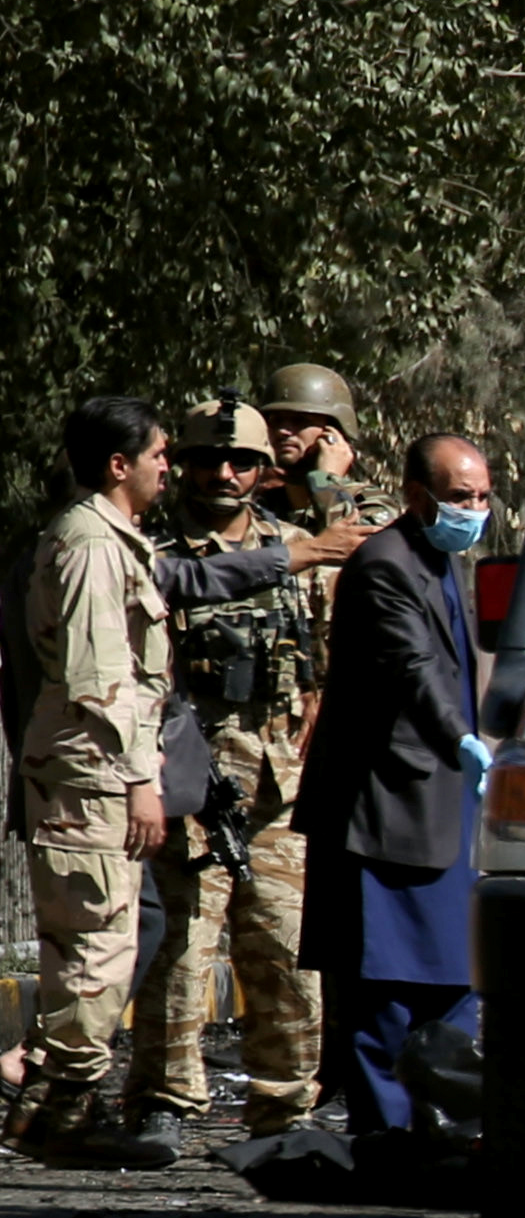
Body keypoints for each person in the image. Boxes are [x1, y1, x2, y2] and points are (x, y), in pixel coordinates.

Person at [119, 396, 333, 1159]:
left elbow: (327, 650)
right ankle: (164, 1100)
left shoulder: (301, 547)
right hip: (188, 780)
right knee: (181, 947)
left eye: (240, 460)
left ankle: (285, 1106)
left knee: (283, 947)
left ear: (264, 470)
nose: (222, 473)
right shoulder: (150, 550)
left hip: (278, 785)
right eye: (207, 458)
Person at [293, 433, 495, 1136]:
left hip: (443, 811)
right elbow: (415, 670)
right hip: (386, 809)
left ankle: (440, 1134)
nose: (475, 509)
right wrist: (462, 740)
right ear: (416, 495)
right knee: (384, 992)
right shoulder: (386, 564)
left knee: (452, 981)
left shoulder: (444, 561)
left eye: (481, 496)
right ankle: (388, 1139)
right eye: (460, 496)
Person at [3, 399, 179, 1169]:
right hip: (92, 766)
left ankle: (50, 1110)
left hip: (91, 761)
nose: (167, 466)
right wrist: (140, 778)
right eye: (159, 453)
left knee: (99, 937)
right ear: (119, 464)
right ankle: (63, 1111)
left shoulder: (111, 540)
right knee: (97, 944)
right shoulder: (88, 545)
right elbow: (98, 677)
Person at [259, 363, 399, 530]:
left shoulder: (367, 503)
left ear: (335, 432)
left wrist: (325, 481)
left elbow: (349, 546)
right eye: (275, 421)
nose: (283, 431)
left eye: (300, 421)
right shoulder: (259, 507)